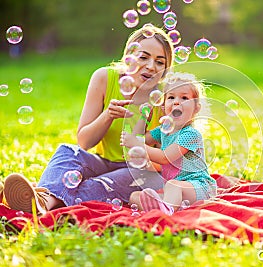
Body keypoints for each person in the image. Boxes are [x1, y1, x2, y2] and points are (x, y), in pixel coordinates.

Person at [2, 24, 175, 214]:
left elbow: (168, 161)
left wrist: (143, 152)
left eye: (160, 62)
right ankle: (42, 200)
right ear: (129, 56)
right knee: (67, 151)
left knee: (99, 184)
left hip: (139, 172)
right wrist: (108, 115)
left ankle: (42, 199)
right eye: (143, 57)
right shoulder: (105, 78)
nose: (151, 67)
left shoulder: (167, 96)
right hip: (103, 162)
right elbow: (84, 142)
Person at [121, 72, 217, 215]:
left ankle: (166, 212)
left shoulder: (190, 134)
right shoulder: (163, 130)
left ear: (196, 108)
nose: (176, 102)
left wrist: (137, 143)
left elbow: (164, 157)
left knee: (173, 186)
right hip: (176, 191)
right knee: (135, 197)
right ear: (164, 105)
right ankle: (167, 207)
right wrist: (144, 117)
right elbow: (139, 139)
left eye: (184, 98)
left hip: (200, 188)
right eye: (171, 97)